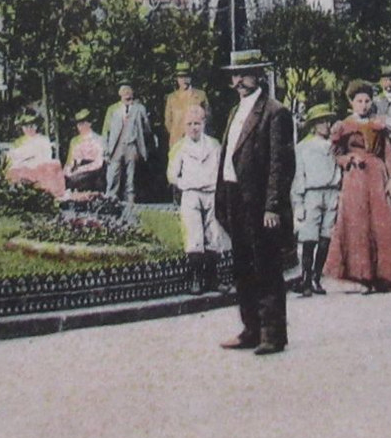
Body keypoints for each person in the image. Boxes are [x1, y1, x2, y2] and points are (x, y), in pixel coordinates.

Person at [215, 49, 295, 356]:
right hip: (235, 197)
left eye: (244, 74)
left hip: (260, 202)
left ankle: (272, 334)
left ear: (258, 75)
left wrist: (272, 206)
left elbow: (281, 164)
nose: (238, 81)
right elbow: (228, 156)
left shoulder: (275, 112)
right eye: (234, 75)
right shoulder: (235, 112)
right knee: (242, 266)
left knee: (267, 266)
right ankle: (250, 328)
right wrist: (221, 199)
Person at [323, 80, 391, 294]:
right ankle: (362, 277)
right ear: (351, 102)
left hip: (377, 175)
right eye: (359, 101)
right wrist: (349, 158)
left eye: (367, 100)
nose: (363, 105)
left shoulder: (378, 124)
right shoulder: (343, 126)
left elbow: (388, 153)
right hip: (355, 177)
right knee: (358, 224)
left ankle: (387, 277)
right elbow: (335, 153)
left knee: (383, 223)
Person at [166, 105, 228, 294]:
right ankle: (196, 279)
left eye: (197, 123)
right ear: (184, 126)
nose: (194, 128)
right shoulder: (180, 147)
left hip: (211, 193)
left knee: (213, 234)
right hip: (191, 194)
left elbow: (221, 169)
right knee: (194, 236)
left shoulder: (213, 145)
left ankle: (213, 279)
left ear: (203, 124)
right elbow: (171, 174)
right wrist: (185, 182)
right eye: (190, 124)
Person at [289, 103, 340, 297]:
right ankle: (306, 278)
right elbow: (298, 175)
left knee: (326, 236)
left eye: (328, 121)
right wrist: (298, 203)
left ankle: (317, 278)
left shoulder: (334, 146)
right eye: (321, 122)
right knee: (309, 237)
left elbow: (338, 169)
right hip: (311, 193)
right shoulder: (303, 147)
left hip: (331, 192)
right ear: (313, 125)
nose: (326, 125)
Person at [102, 82, 151, 204]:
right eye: (123, 90)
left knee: (131, 176)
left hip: (132, 145)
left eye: (129, 90)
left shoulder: (139, 108)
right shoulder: (112, 109)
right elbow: (105, 131)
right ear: (119, 93)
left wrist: (143, 146)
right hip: (116, 146)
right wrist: (106, 149)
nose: (126, 93)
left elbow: (147, 129)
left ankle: (130, 201)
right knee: (113, 174)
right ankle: (110, 199)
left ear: (133, 92)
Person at [7, 114, 65, 197]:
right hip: (24, 166)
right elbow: (14, 158)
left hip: (40, 165)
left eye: (32, 126)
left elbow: (47, 155)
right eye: (26, 127)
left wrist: (35, 159)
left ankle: (51, 194)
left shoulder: (42, 140)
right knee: (16, 171)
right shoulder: (18, 142)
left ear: (36, 126)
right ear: (22, 128)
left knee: (53, 165)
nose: (29, 129)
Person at [163, 64, 208, 155]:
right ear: (177, 79)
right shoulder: (171, 98)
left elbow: (207, 118)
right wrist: (177, 132)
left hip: (196, 141)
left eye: (186, 76)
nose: (184, 80)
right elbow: (168, 121)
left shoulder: (200, 95)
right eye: (180, 77)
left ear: (190, 77)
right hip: (177, 141)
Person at [64, 110, 106, 192]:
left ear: (90, 123)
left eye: (83, 123)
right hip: (75, 171)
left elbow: (99, 163)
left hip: (93, 173)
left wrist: (81, 170)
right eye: (78, 124)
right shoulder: (74, 141)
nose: (80, 126)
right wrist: (67, 172)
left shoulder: (98, 139)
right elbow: (70, 161)